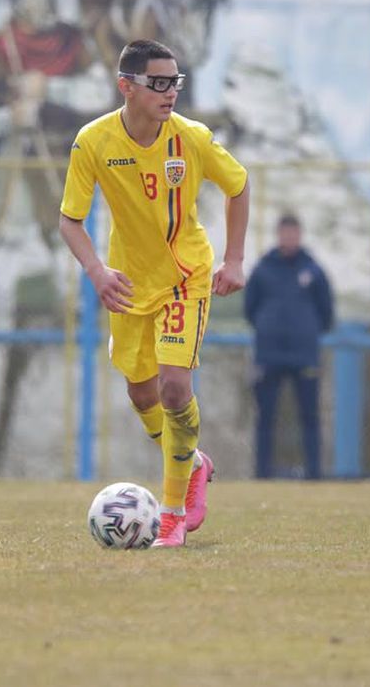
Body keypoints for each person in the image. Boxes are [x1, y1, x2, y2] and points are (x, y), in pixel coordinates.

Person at [59, 39, 249, 547]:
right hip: (128, 284)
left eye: (175, 82)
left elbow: (238, 185)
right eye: (159, 83)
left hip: (185, 278)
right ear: (126, 86)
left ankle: (171, 517)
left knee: (173, 389)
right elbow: (70, 219)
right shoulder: (93, 142)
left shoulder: (192, 138)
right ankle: (193, 463)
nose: (170, 93)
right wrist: (97, 271)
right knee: (141, 394)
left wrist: (234, 259)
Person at [244, 214, 334, 479]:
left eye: (293, 233)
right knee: (265, 416)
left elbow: (327, 312)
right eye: (285, 233)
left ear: (300, 235)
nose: (289, 238)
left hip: (304, 354)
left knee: (309, 416)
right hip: (269, 354)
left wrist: (306, 331)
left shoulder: (313, 270)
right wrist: (268, 327)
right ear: (278, 234)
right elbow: (250, 309)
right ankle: (262, 473)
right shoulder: (263, 269)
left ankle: (314, 474)